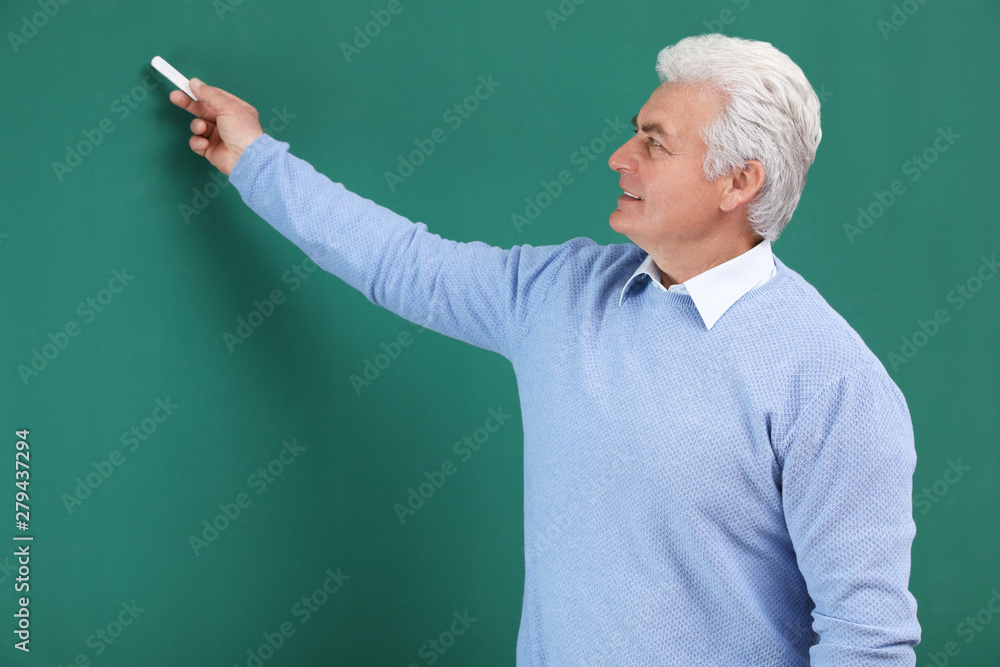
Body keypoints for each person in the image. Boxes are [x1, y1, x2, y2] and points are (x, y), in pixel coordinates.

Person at [168, 33, 920, 666]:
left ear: (739, 182)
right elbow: (403, 263)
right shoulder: (564, 292)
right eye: (635, 131)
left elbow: (868, 639)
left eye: (653, 144)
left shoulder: (830, 381)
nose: (619, 157)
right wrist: (255, 157)